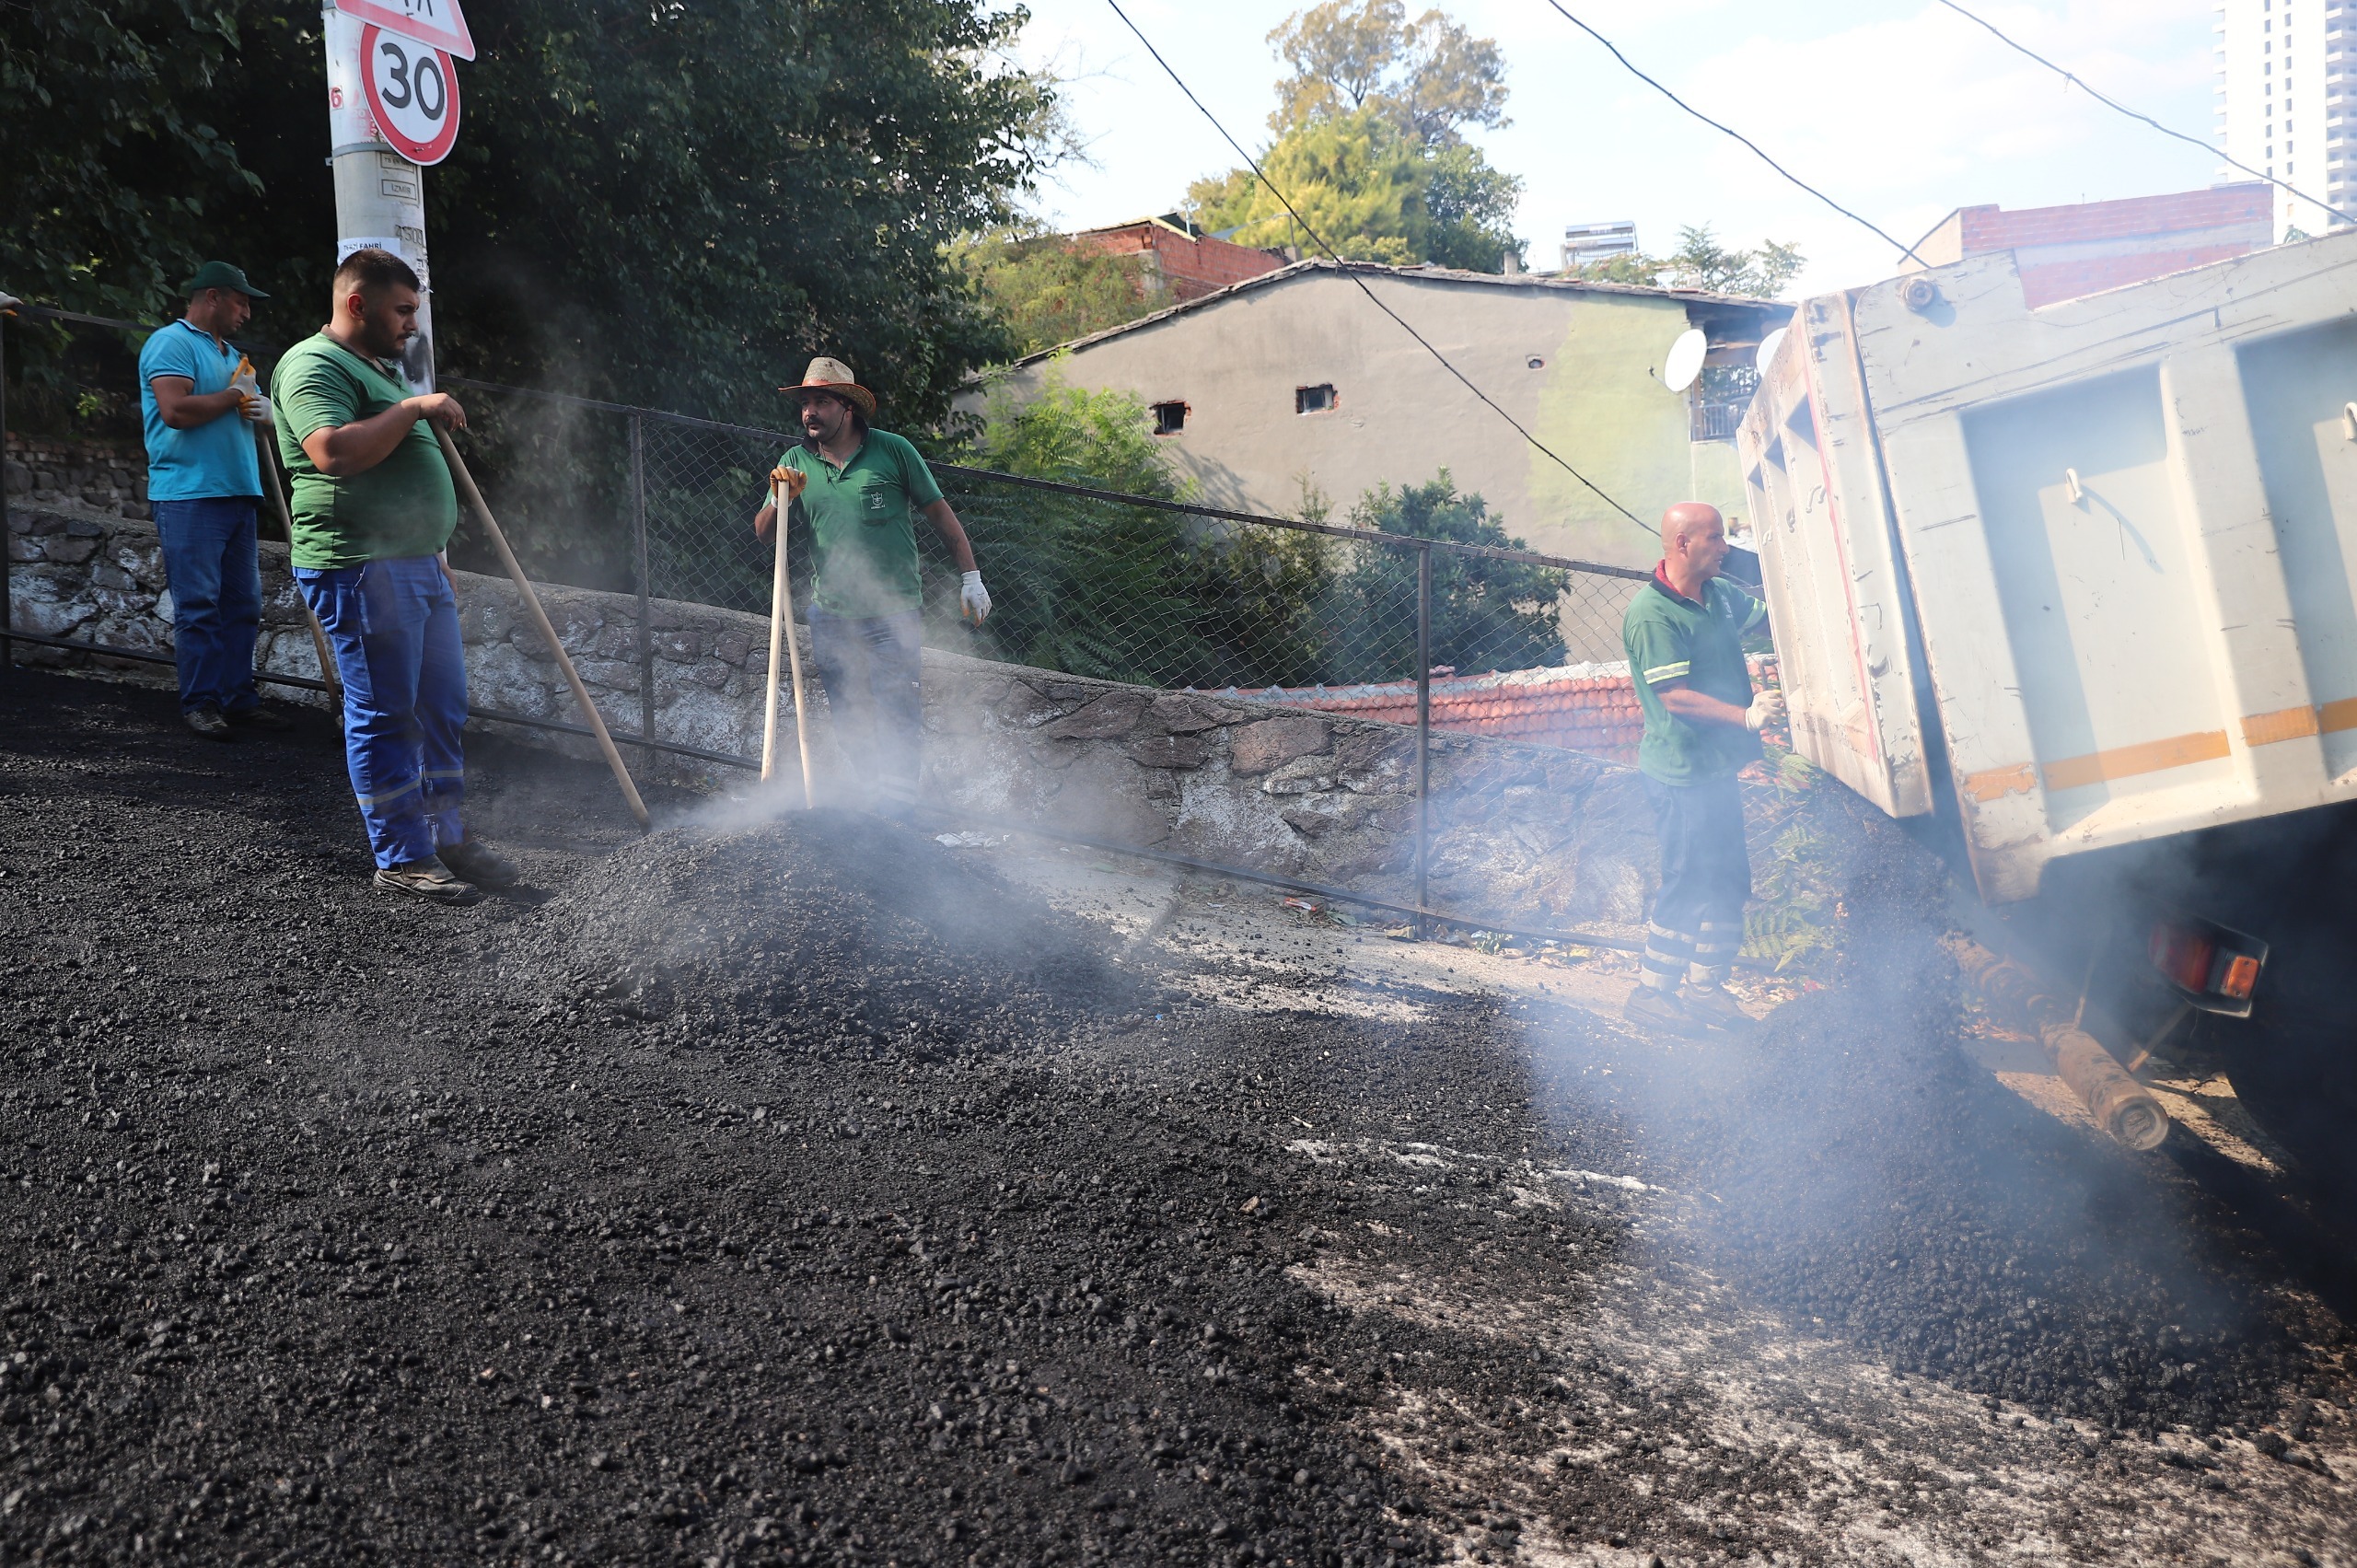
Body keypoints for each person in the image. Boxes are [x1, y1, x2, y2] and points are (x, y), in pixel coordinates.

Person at [271, 247, 517, 904]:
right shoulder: (312, 364)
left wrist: (434, 547)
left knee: (442, 706)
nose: (412, 323)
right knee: (385, 714)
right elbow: (332, 452)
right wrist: (413, 410)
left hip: (414, 565)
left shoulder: (375, 368)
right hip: (360, 568)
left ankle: (448, 836)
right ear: (358, 303)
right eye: (403, 309)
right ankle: (404, 855)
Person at [752, 357, 991, 814]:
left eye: (821, 401)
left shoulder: (894, 451)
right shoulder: (794, 461)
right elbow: (764, 534)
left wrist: (971, 577)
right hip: (831, 613)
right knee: (847, 710)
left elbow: (942, 516)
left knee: (898, 705)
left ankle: (899, 807)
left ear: (847, 408)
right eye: (805, 403)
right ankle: (868, 796)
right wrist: (782, 497)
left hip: (893, 611)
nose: (810, 413)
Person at [1620, 501, 1784, 1036]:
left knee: (1729, 881)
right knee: (1688, 881)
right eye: (1715, 538)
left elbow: (1773, 625)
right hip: (1680, 774)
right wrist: (1747, 714)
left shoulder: (1718, 595)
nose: (1725, 547)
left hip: (1716, 769)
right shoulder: (1652, 613)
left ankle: (1705, 990)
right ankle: (1651, 993)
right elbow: (1676, 697)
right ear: (1683, 543)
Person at [138, 261, 294, 740]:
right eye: (241, 300)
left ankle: (237, 699)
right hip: (190, 494)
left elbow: (246, 408)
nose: (247, 310)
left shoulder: (234, 356)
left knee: (243, 605)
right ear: (212, 297)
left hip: (237, 493)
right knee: (200, 606)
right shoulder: (172, 342)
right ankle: (201, 703)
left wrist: (268, 413)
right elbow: (175, 411)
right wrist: (233, 397)